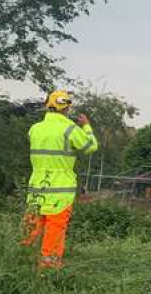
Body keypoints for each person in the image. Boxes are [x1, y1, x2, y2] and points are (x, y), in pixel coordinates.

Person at [22, 90, 99, 269]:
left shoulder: (35, 129)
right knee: (54, 230)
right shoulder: (69, 129)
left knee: (31, 228)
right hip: (60, 190)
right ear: (67, 108)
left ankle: (23, 262)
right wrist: (86, 126)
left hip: (36, 188)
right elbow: (91, 146)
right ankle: (48, 269)